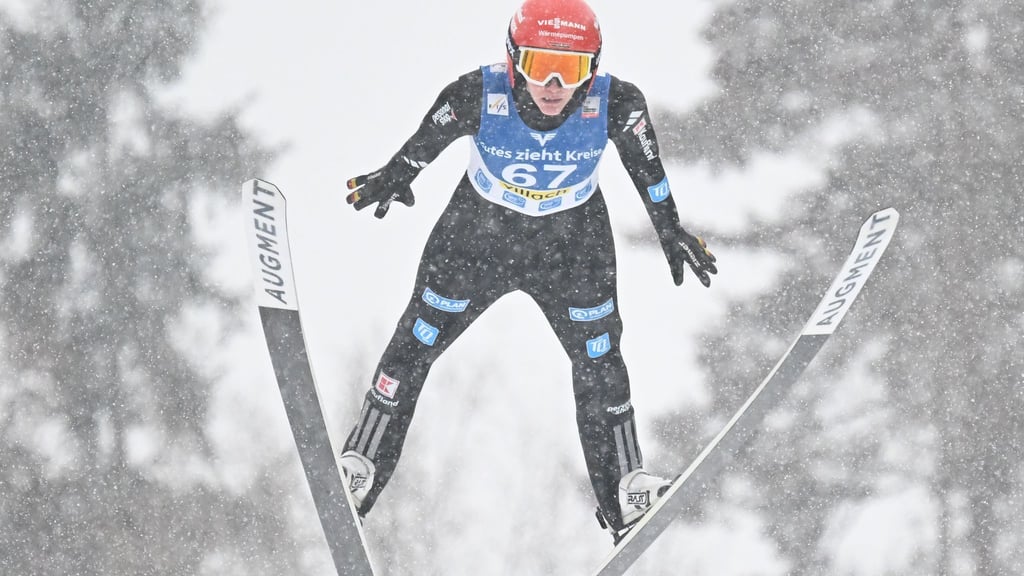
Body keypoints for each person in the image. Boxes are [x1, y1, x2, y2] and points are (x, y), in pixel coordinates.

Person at [339, 0, 717, 542]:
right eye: (541, 65)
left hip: (573, 246)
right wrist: (396, 175)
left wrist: (670, 229)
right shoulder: (477, 93)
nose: (556, 84)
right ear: (514, 58)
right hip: (477, 238)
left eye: (574, 68)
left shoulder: (619, 103)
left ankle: (624, 493)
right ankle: (362, 467)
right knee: (415, 342)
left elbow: (649, 172)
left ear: (596, 66)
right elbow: (421, 146)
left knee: (599, 358)